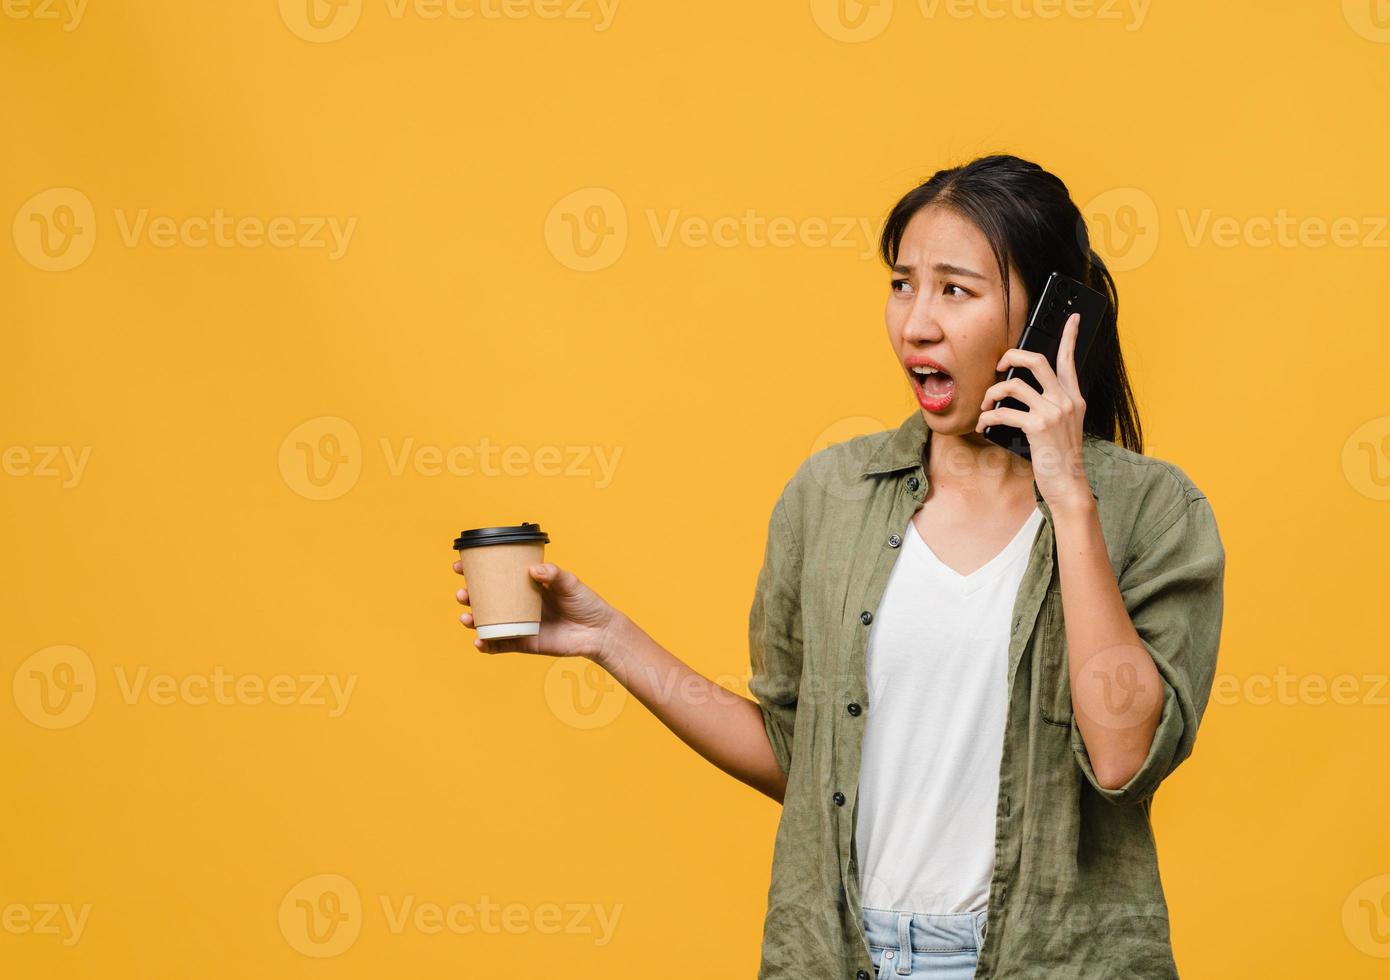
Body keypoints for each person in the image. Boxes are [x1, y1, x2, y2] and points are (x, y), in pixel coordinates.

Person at [451, 153, 1227, 979]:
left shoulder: (1152, 512)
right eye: (902, 285)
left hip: (1054, 961)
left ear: (1049, 317)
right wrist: (609, 639)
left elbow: (1120, 757)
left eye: (954, 290)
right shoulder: (829, 497)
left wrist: (1067, 491)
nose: (916, 325)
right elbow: (801, 757)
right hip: (842, 957)